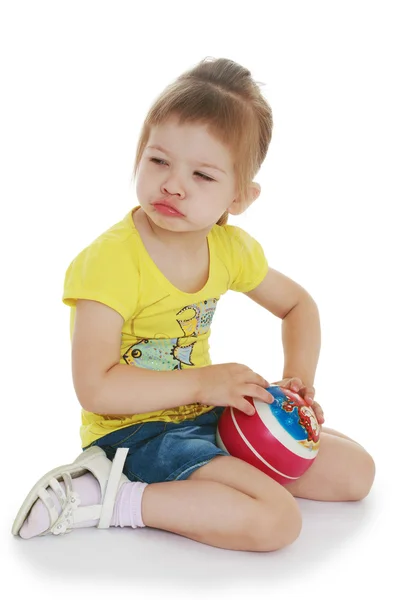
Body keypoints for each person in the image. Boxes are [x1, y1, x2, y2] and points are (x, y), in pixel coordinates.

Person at [12, 57, 375, 552]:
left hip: (204, 414)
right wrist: (206, 381)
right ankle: (111, 496)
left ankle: (207, 479)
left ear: (240, 197)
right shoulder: (109, 263)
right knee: (278, 522)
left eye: (203, 175)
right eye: (159, 160)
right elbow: (95, 387)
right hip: (134, 435)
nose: (173, 184)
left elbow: (298, 306)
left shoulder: (228, 249)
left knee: (355, 473)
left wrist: (298, 382)